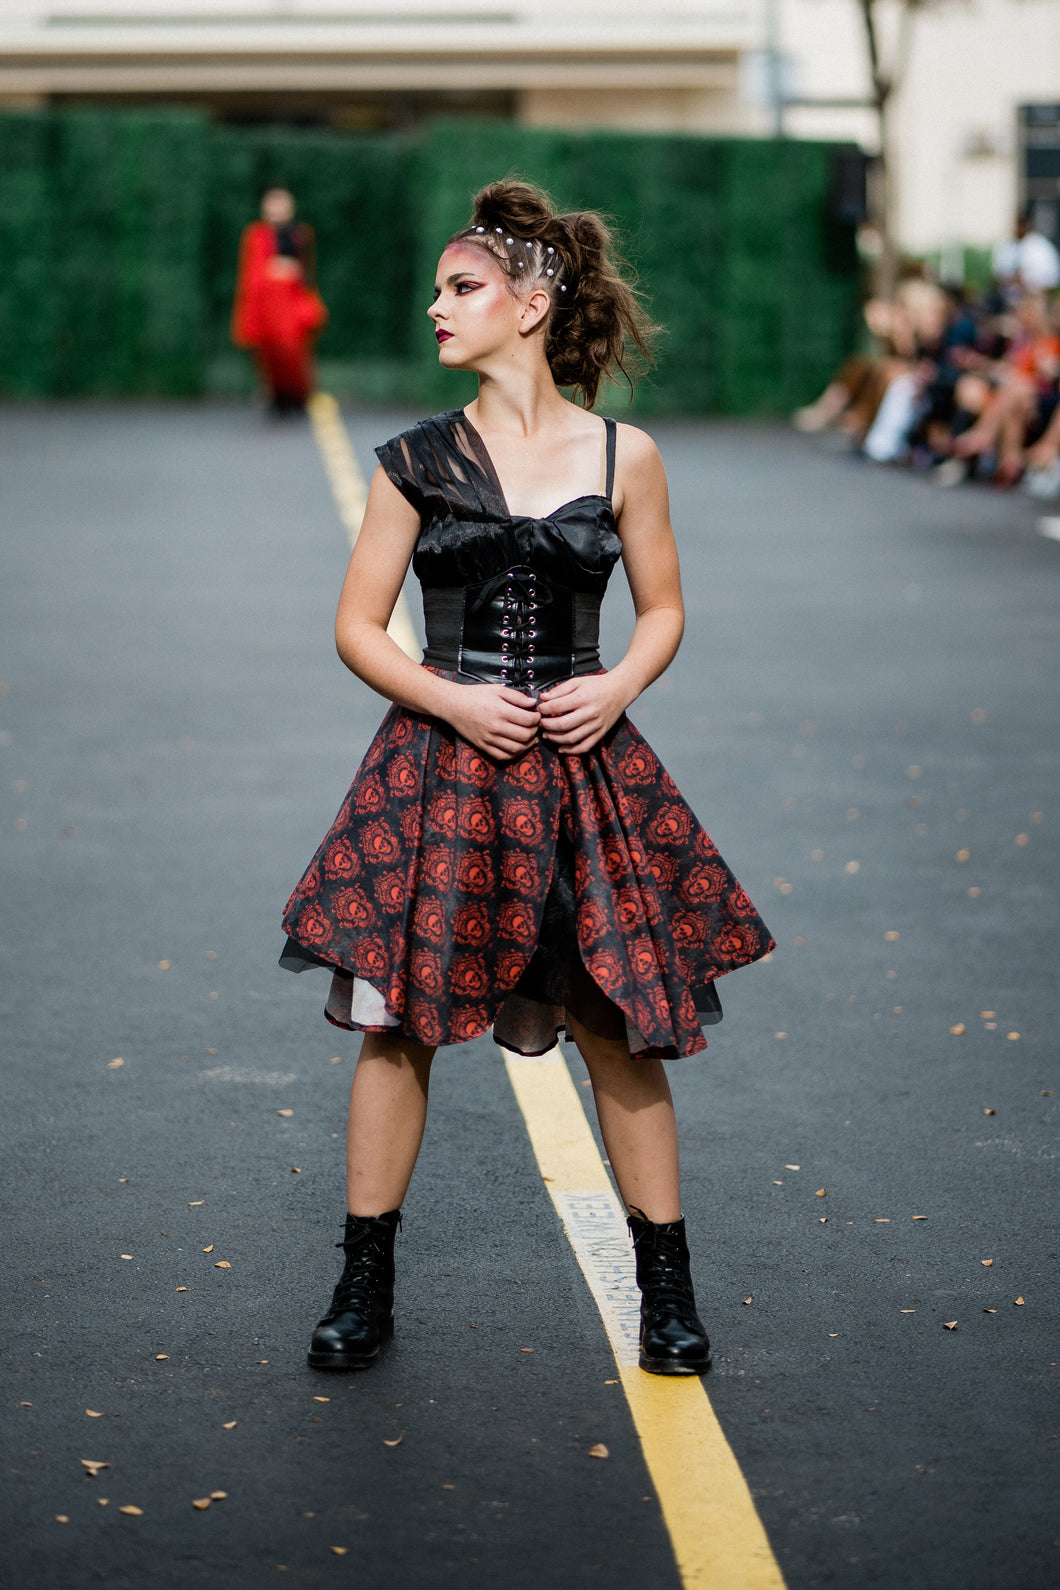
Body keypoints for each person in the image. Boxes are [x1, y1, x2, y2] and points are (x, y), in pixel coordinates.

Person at [279, 180, 775, 1378]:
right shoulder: (411, 460)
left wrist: (615, 687)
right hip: (439, 773)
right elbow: (356, 627)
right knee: (396, 1030)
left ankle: (667, 1293)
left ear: (533, 302)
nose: (435, 306)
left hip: (585, 774)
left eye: (462, 288)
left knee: (617, 1027)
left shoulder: (625, 455)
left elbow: (661, 612)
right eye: (441, 289)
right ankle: (363, 1285)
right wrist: (449, 697)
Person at [231, 187, 327, 415]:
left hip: (291, 304)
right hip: (267, 303)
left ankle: (297, 396)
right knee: (269, 354)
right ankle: (276, 397)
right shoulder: (256, 235)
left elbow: (306, 273)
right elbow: (252, 273)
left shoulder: (300, 234)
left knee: (293, 352)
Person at [992, 210, 1060, 302]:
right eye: (1017, 225)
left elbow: (1051, 280)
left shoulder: (1042, 247)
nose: (1019, 228)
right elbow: (997, 277)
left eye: (1022, 225)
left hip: (1035, 299)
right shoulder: (1005, 246)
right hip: (1008, 301)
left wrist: (1028, 284)